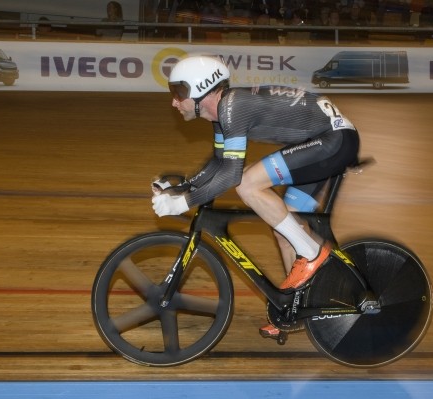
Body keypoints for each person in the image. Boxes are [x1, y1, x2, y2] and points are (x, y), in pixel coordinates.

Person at [152, 55, 360, 339]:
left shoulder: (232, 107)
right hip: (325, 140)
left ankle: (311, 254)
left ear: (201, 88)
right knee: (284, 227)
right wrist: (183, 187)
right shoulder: (222, 114)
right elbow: (218, 164)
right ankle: (295, 308)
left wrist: (183, 203)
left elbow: (232, 175)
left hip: (332, 141)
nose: (174, 102)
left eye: (179, 92)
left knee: (248, 184)